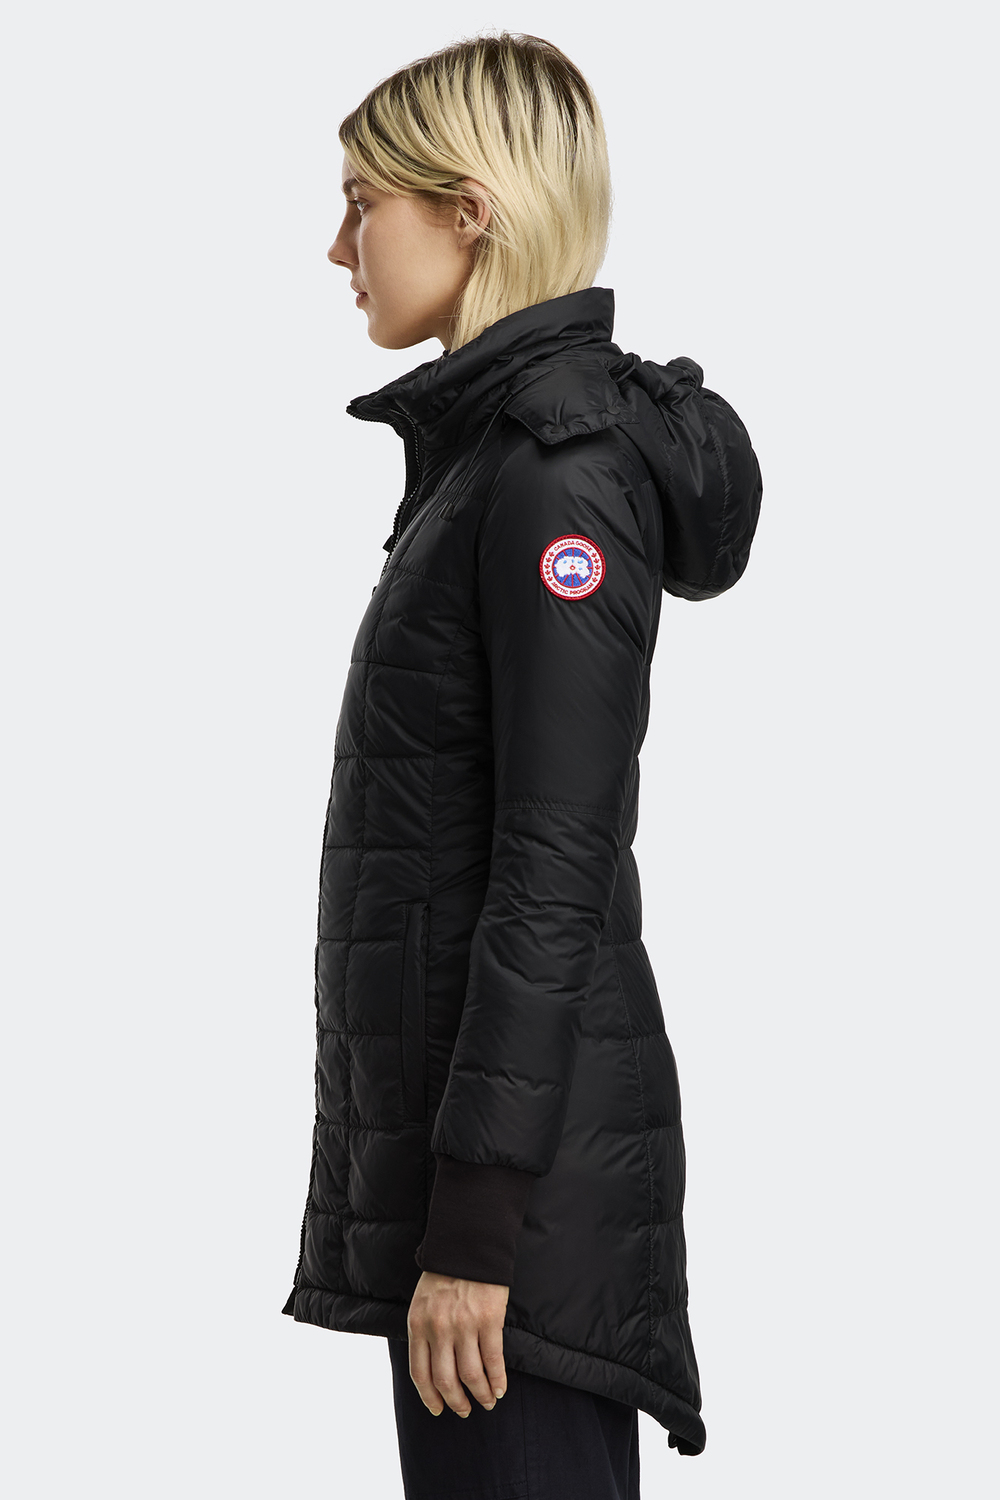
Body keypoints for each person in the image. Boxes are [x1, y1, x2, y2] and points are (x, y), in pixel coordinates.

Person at [280, 30, 763, 1500]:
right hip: (477, 1203)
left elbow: (554, 861)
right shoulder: (488, 460)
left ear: (470, 211)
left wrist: (478, 1231)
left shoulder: (554, 474)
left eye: (362, 202)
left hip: (516, 1234)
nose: (338, 247)